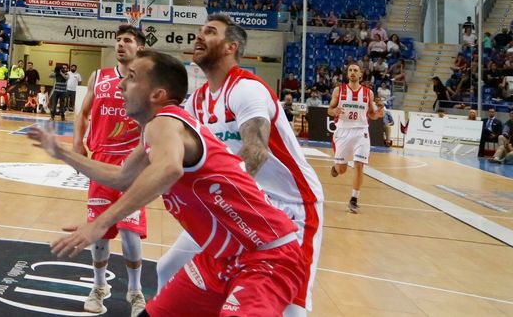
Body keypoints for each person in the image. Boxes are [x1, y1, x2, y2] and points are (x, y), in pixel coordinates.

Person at [28, 49, 307, 317]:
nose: (122, 85)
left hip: (267, 256)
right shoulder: (158, 129)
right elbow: (121, 177)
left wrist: (99, 225)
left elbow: (168, 168)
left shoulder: (163, 123)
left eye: (132, 77)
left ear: (158, 94)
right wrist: (61, 151)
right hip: (220, 258)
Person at [156, 16, 324, 317]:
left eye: (210, 32)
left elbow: (255, 152)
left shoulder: (247, 89)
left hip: (290, 206)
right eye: (199, 31)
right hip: (235, 205)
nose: (199, 36)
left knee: (290, 310)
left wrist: (219, 198)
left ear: (231, 47)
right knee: (168, 267)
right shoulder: (197, 101)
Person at [71, 25, 148, 315]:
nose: (120, 44)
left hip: (131, 164)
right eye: (117, 40)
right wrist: (78, 143)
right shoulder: (99, 77)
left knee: (129, 233)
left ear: (139, 47)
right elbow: (83, 113)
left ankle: (135, 291)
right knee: (99, 232)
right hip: (100, 161)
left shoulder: (146, 80)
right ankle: (99, 286)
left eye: (127, 40)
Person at [329, 62, 381, 213]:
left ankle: (354, 199)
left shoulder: (368, 93)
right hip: (343, 131)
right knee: (342, 169)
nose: (352, 72)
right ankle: (336, 168)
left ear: (360, 74)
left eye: (355, 70)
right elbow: (330, 110)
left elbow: (371, 113)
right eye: (350, 70)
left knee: (359, 164)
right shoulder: (339, 90)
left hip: (361, 131)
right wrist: (335, 111)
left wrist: (377, 115)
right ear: (347, 74)